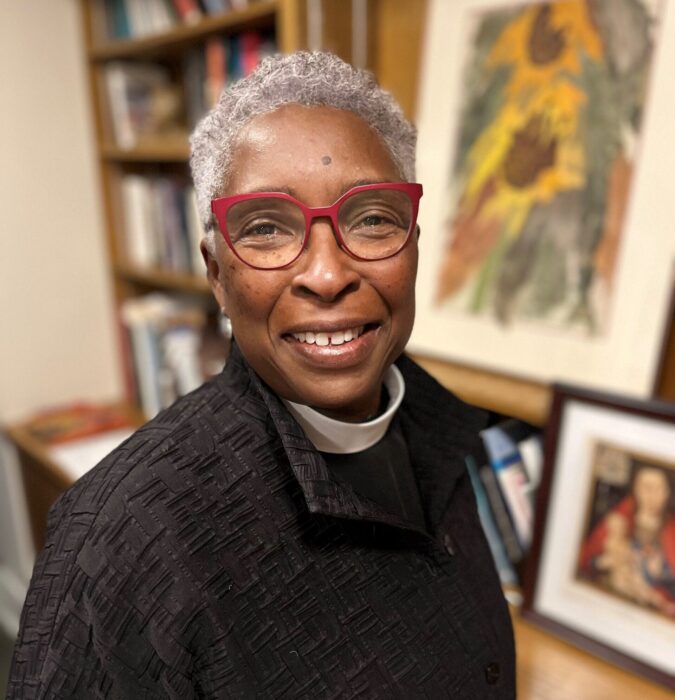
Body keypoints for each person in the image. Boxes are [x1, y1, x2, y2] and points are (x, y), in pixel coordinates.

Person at [8, 51, 515, 699]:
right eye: (267, 229)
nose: (327, 275)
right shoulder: (117, 543)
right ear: (216, 274)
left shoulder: (446, 430)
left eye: (371, 219)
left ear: (413, 244)